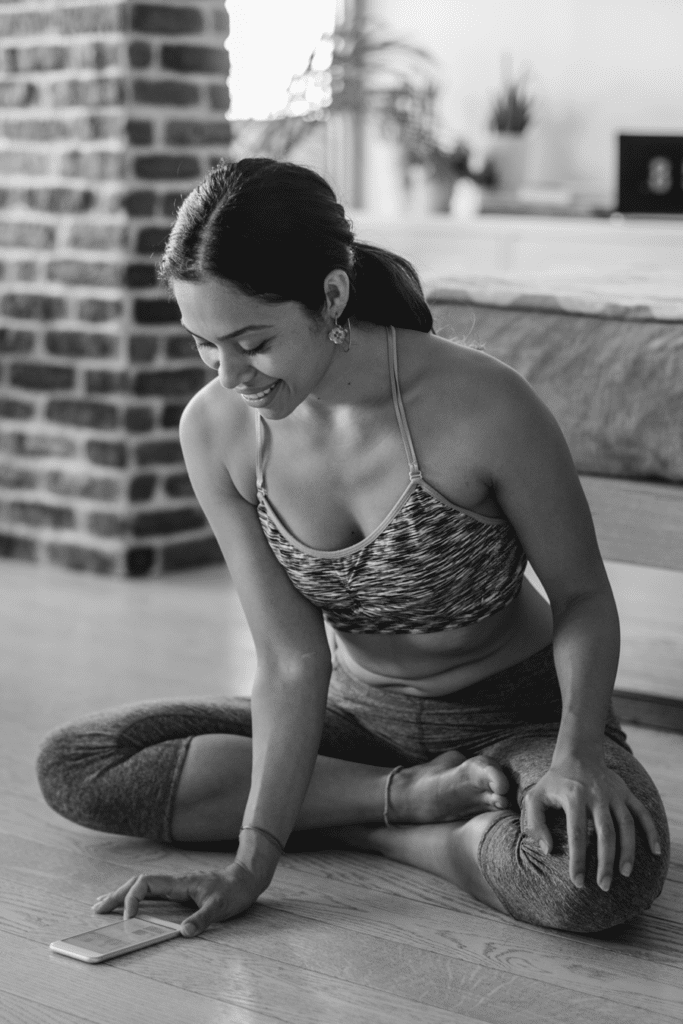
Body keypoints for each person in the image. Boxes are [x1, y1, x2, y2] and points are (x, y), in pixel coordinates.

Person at [36, 158, 668, 939]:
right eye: (204, 345)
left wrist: (578, 756)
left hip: (522, 717)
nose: (230, 375)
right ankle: (402, 808)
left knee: (603, 883)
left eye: (252, 342)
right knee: (81, 764)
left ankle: (370, 820)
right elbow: (291, 660)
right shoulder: (216, 431)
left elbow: (581, 598)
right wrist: (249, 865)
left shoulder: (482, 405)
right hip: (358, 721)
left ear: (331, 296)